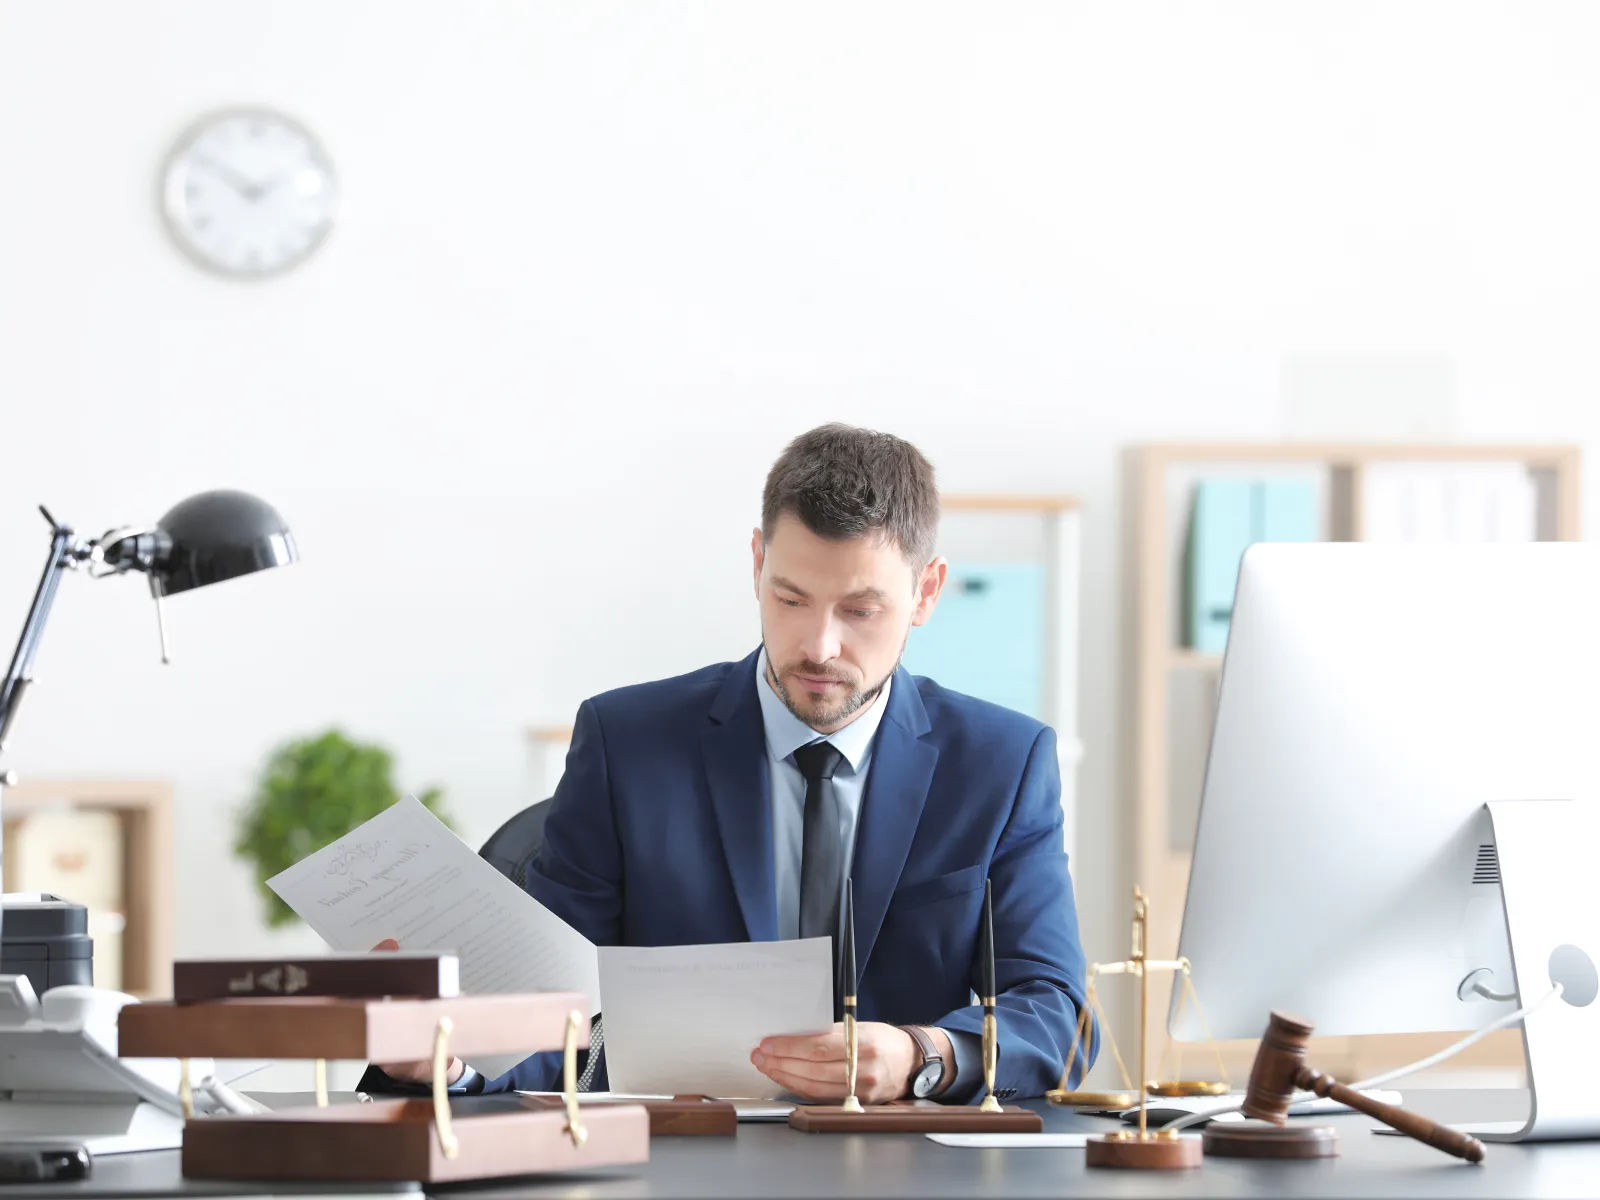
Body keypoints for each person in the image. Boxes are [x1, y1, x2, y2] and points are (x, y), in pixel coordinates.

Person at [366, 423, 1090, 1102]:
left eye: (861, 610)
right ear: (756, 563)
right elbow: (555, 1010)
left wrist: (921, 1055)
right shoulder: (625, 743)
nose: (820, 646)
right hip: (674, 1158)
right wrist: (453, 1060)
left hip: (905, 1162)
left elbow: (1056, 1014)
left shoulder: (1003, 764)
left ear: (926, 592)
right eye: (791, 597)